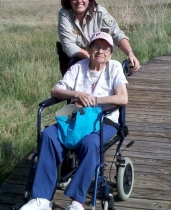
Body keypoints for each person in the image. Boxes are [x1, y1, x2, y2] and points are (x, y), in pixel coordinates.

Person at [20, 32, 128, 210]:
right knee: (48, 135)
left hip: (105, 120)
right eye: (96, 47)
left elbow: (123, 98)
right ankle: (42, 199)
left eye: (105, 48)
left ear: (110, 52)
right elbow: (55, 90)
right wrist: (76, 94)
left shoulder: (114, 68)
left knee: (90, 142)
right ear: (89, 49)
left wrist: (95, 100)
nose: (100, 51)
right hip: (76, 119)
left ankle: (77, 202)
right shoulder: (79, 67)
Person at [57, 0, 140, 76]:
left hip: (97, 55)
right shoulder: (64, 14)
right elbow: (69, 46)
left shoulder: (100, 12)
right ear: (69, 0)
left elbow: (116, 33)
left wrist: (130, 53)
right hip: (75, 58)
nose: (79, 1)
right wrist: (93, 59)